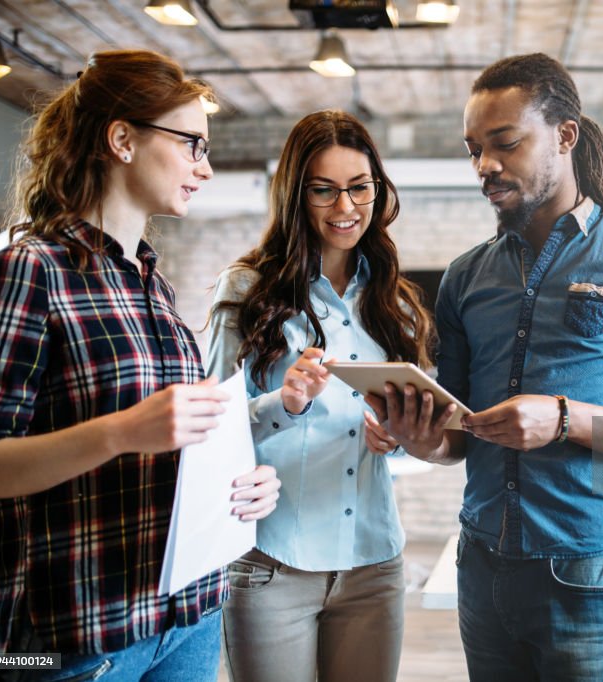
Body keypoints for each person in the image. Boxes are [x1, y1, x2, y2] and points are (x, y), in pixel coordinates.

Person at [368, 53, 603, 681]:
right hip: (482, 568)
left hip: (592, 580)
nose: (485, 166)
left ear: (565, 134)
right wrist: (423, 439)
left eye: (505, 143)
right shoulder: (465, 277)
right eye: (473, 149)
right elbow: (455, 438)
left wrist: (566, 419)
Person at [0, 50, 281, 681]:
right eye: (193, 144)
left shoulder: (152, 283)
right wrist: (121, 431)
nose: (206, 167)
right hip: (71, 640)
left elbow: (173, 442)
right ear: (122, 139)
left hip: (189, 617)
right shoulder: (28, 270)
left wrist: (240, 485)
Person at [206, 109, 433, 682]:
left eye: (360, 188)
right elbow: (213, 426)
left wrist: (400, 439)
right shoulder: (246, 289)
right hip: (271, 565)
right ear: (294, 195)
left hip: (373, 563)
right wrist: (285, 403)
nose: (345, 208)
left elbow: (417, 440)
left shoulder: (395, 303)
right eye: (324, 191)